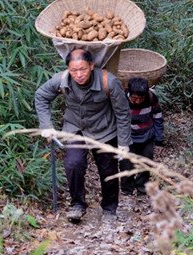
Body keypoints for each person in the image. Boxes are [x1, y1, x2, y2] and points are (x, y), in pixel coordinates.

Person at [35, 48, 132, 223]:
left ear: (91, 66)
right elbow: (41, 96)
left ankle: (110, 209)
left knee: (108, 170)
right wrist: (46, 125)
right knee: (73, 164)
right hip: (75, 128)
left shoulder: (108, 81)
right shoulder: (62, 80)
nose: (78, 74)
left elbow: (123, 113)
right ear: (68, 69)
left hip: (104, 130)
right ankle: (77, 205)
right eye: (74, 70)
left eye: (83, 69)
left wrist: (123, 143)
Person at [119, 77, 164, 196]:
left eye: (140, 98)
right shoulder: (121, 99)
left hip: (147, 135)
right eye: (134, 98)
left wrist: (159, 140)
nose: (138, 101)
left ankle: (142, 187)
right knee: (126, 163)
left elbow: (158, 117)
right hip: (127, 137)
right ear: (129, 93)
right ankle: (127, 188)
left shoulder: (151, 97)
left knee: (146, 161)